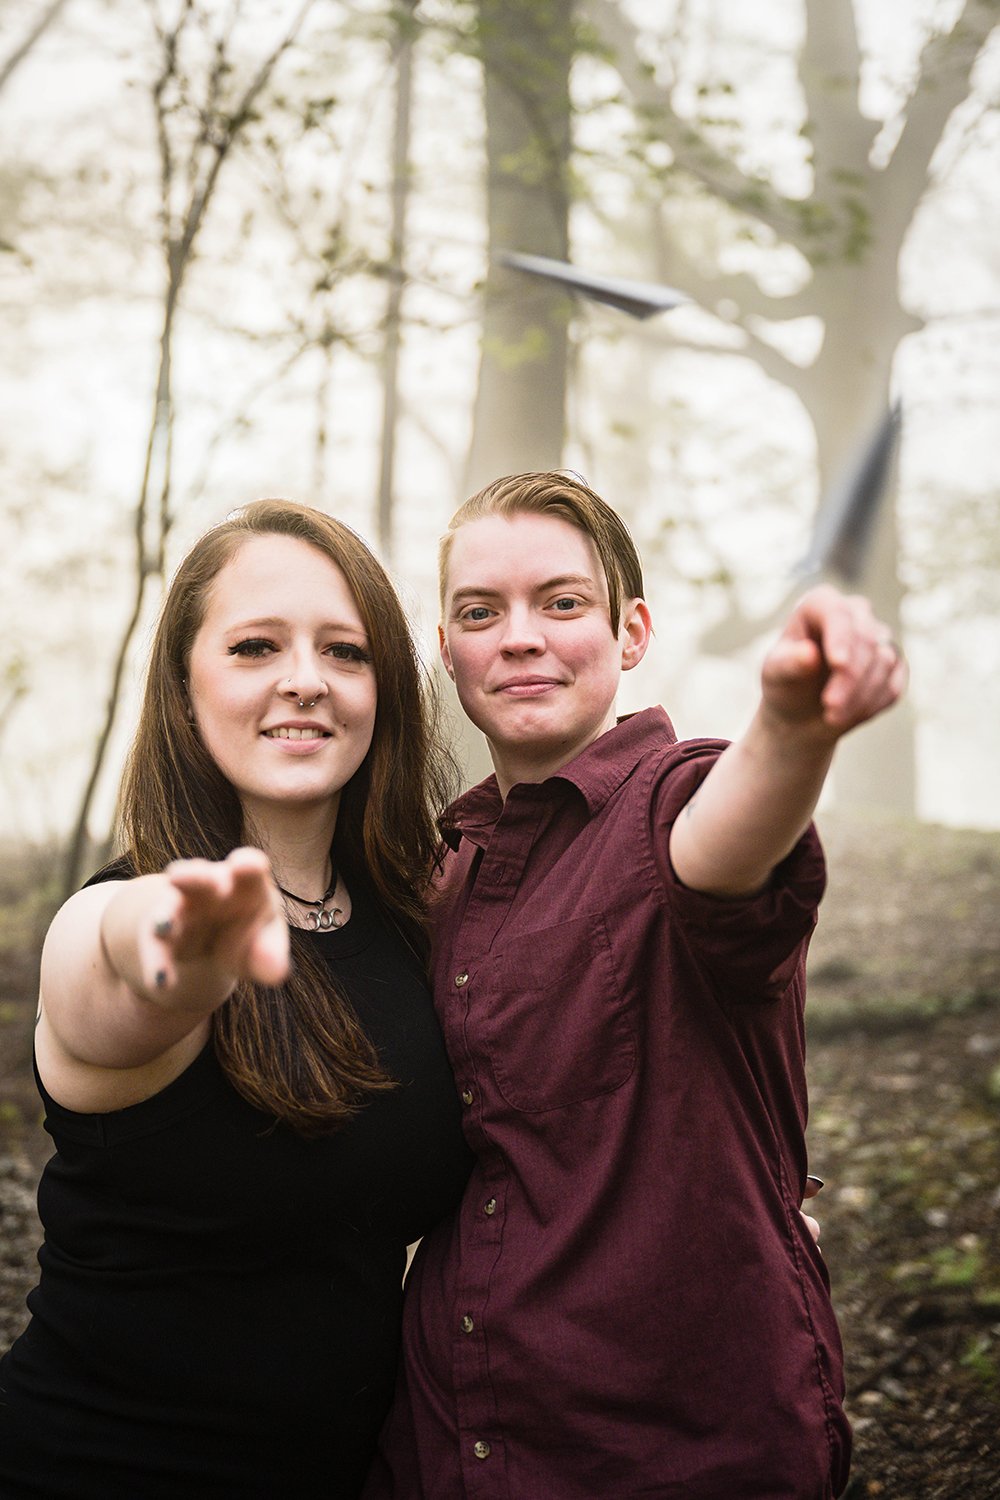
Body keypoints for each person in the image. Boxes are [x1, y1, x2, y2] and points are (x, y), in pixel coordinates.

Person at [365, 471, 907, 1500]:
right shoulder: (445, 872)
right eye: (480, 612)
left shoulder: (672, 804)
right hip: (450, 1438)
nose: (519, 636)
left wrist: (794, 725)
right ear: (447, 647)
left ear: (630, 632)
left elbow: (726, 840)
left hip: (674, 1451)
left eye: (561, 602)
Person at [0, 499, 474, 1500]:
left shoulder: (414, 925)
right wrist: (173, 942)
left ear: (383, 686)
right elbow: (113, 972)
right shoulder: (114, 916)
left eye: (343, 651)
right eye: (256, 645)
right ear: (183, 690)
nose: (304, 679)